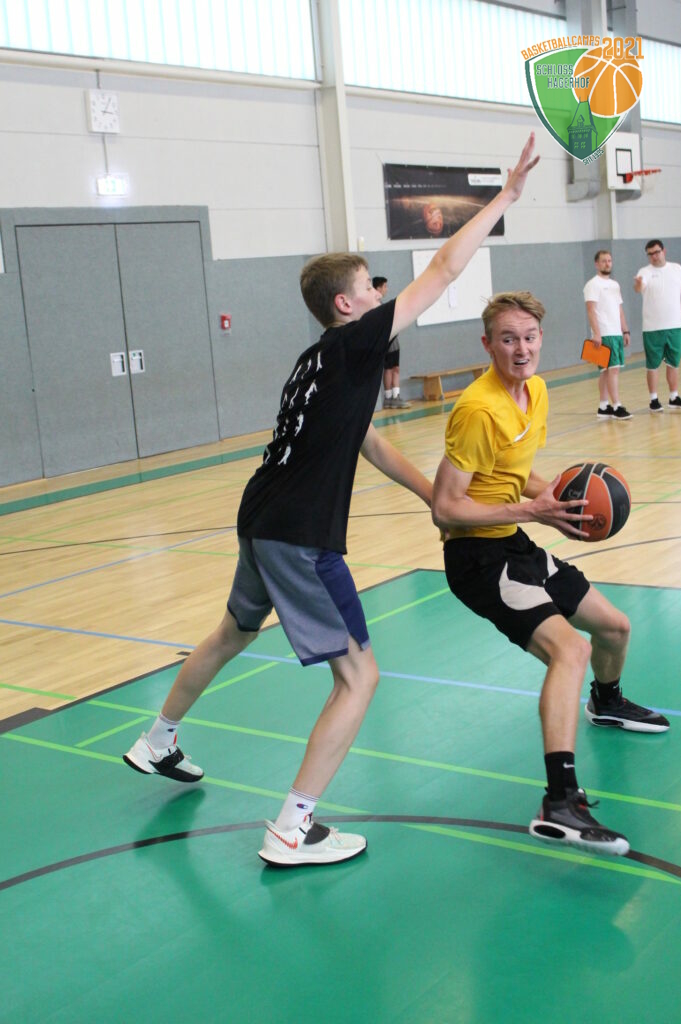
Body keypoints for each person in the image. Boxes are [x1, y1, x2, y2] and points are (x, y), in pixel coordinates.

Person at [124, 133, 540, 868]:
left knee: (232, 632)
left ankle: (156, 739)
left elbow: (367, 442)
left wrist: (435, 501)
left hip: (261, 517)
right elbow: (444, 268)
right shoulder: (353, 343)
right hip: (299, 535)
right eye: (371, 290)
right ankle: (293, 828)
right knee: (359, 676)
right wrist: (503, 196)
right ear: (346, 304)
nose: (382, 296)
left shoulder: (316, 362)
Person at [431, 291, 669, 857]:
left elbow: (516, 475)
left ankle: (606, 702)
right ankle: (558, 802)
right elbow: (445, 508)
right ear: (487, 344)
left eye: (530, 337)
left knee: (613, 628)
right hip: (478, 559)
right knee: (571, 650)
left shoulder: (535, 391)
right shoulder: (477, 409)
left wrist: (565, 500)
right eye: (508, 339)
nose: (521, 349)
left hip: (513, 541)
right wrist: (532, 511)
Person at [633, 239, 681, 412]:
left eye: (657, 252)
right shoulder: (645, 272)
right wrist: (638, 285)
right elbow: (639, 288)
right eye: (650, 254)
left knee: (673, 363)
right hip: (652, 327)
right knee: (653, 364)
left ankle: (674, 396)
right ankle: (653, 399)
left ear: (664, 251)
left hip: (675, 325)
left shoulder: (677, 269)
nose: (654, 256)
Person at [584, 250, 632, 420]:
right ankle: (617, 405)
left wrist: (625, 330)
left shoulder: (615, 285)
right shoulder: (592, 284)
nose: (607, 263)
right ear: (597, 264)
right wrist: (597, 333)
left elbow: (619, 310)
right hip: (604, 334)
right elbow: (590, 310)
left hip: (616, 333)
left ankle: (603, 406)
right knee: (613, 370)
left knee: (605, 372)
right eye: (603, 261)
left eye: (609, 260)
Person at [373, 275, 411, 409]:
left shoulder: (378, 304)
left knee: (391, 368)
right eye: (385, 286)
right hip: (389, 341)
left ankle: (391, 397)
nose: (386, 289)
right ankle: (393, 397)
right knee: (392, 369)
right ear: (378, 288)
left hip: (388, 340)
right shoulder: (377, 306)